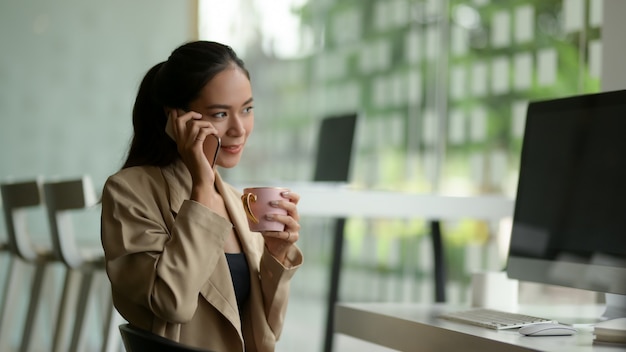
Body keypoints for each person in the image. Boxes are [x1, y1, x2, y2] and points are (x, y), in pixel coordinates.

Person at [100, 40, 303, 352]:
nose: (239, 129)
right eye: (221, 114)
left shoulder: (239, 202)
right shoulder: (129, 192)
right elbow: (172, 303)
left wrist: (275, 256)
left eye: (247, 109)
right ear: (177, 119)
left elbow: (268, 332)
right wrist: (201, 188)